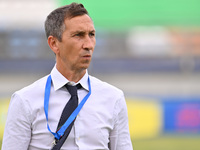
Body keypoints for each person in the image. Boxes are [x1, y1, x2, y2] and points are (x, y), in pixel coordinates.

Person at [2, 2, 133, 150]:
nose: (88, 44)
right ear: (54, 44)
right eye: (79, 35)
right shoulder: (25, 100)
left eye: (92, 34)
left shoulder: (114, 98)